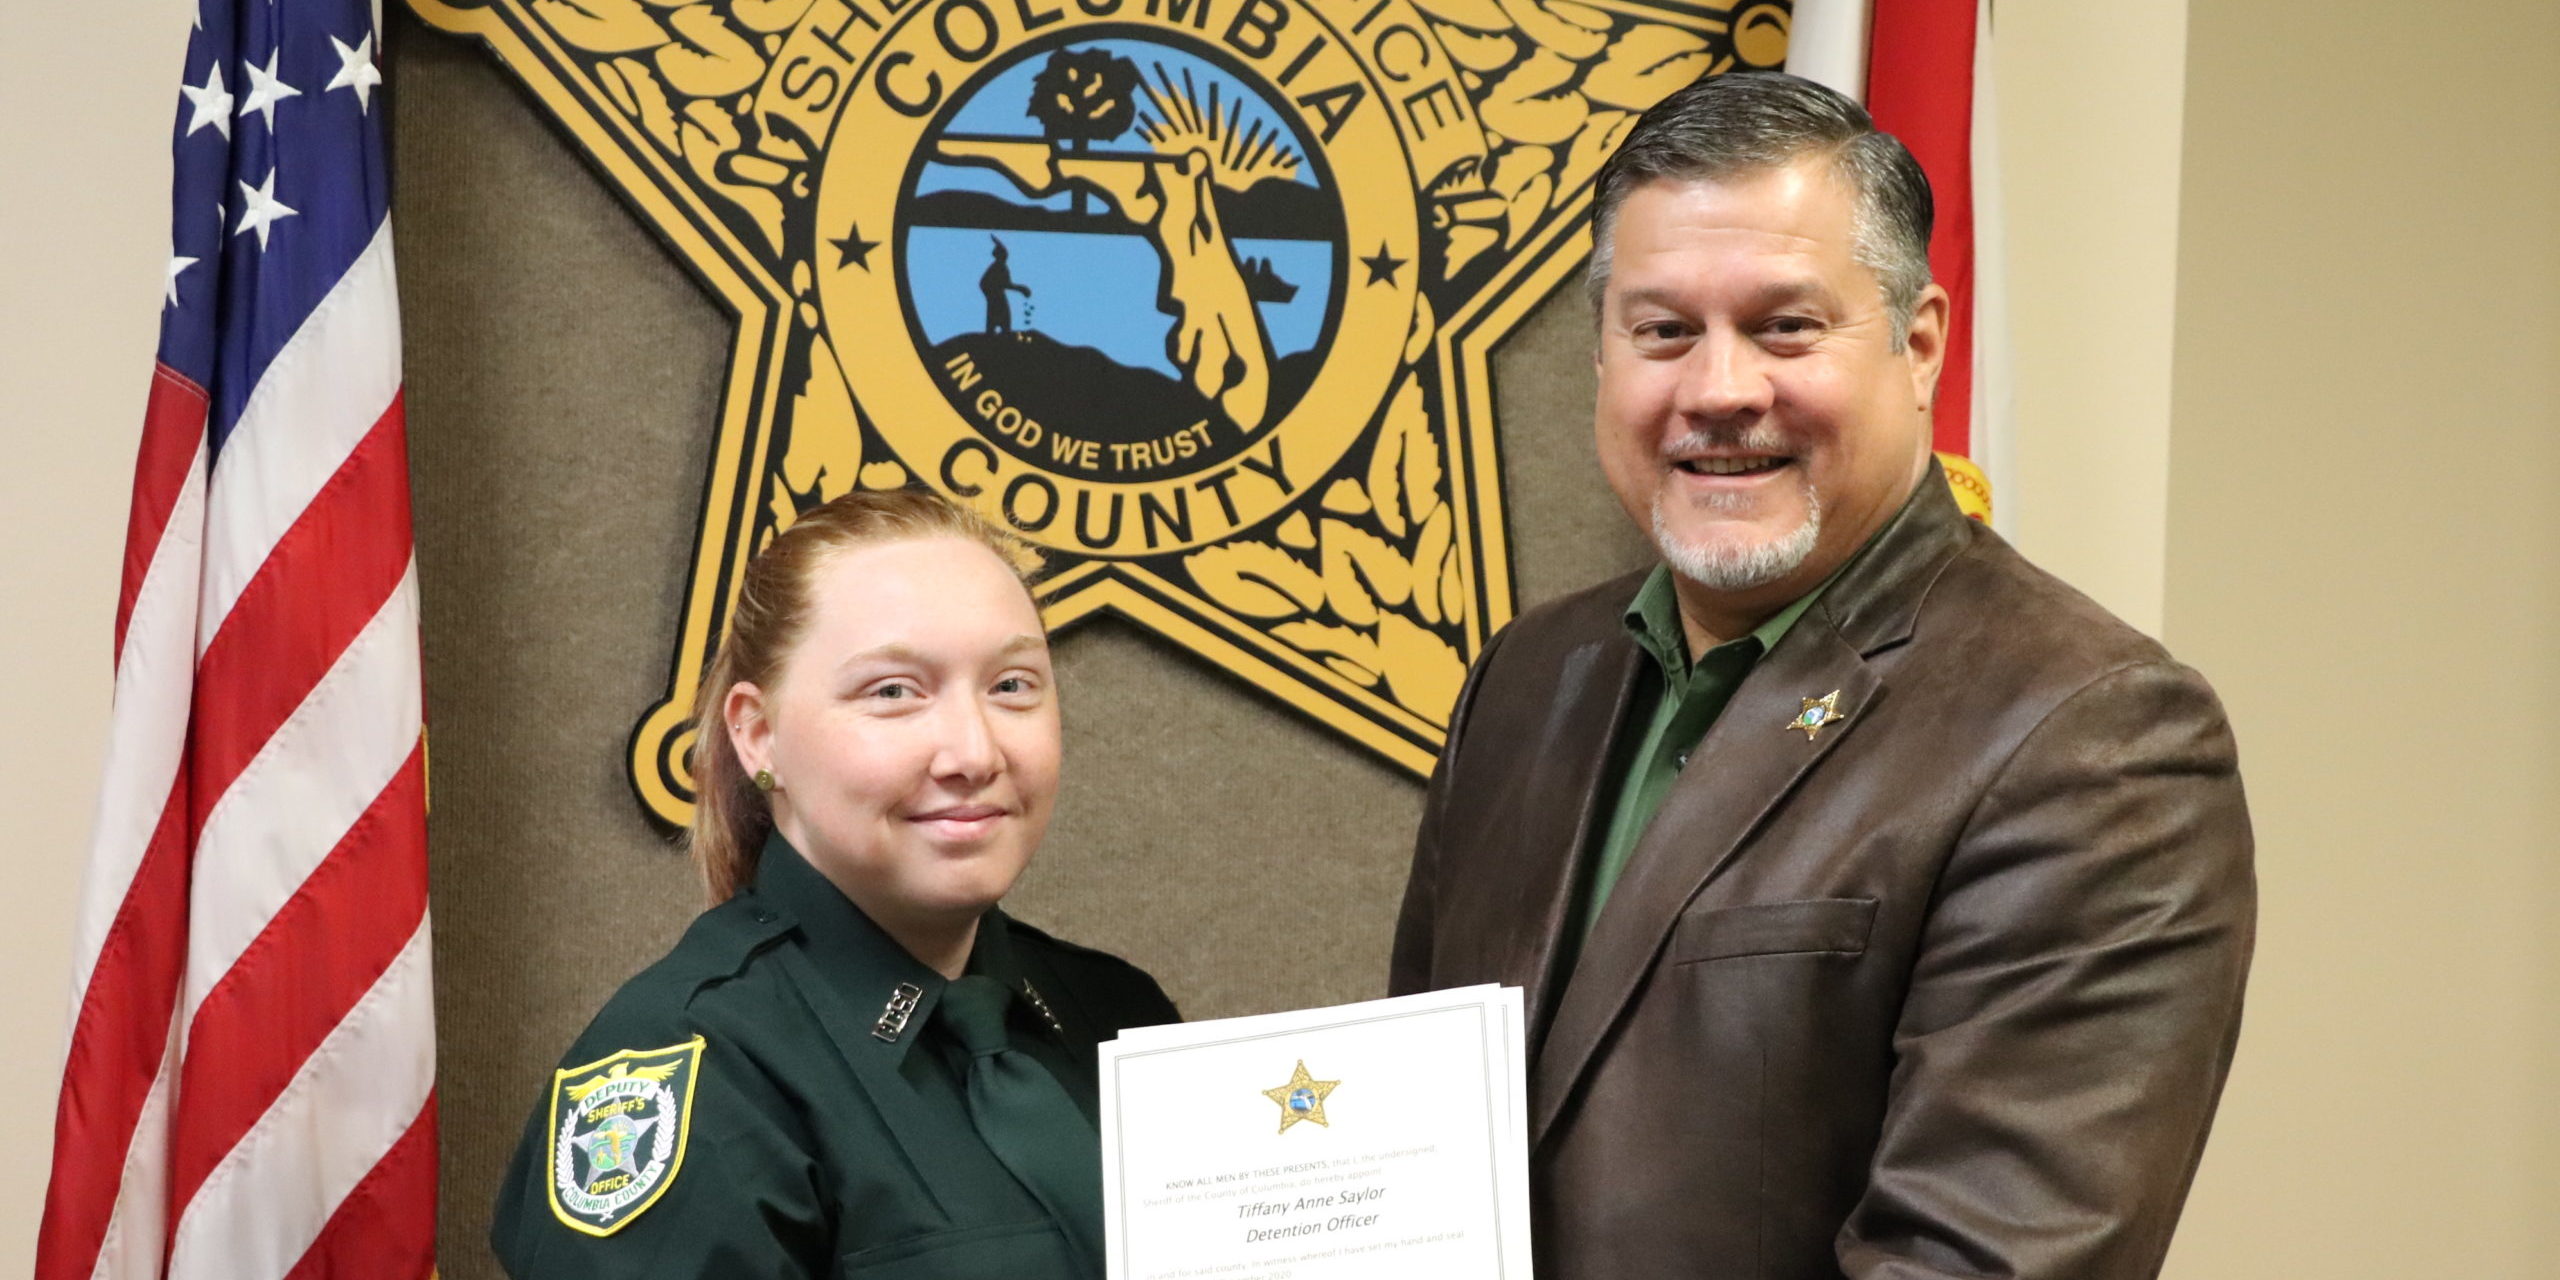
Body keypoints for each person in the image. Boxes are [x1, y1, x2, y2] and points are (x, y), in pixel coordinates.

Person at [1389, 72, 2253, 1279]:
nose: (1719, 389)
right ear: (1601, 359)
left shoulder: (2091, 736)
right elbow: (1417, 1166)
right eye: (1663, 330)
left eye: (1785, 325)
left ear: (1918, 346)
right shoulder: (1531, 679)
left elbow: (1982, 1261)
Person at [491, 489, 1175, 1277]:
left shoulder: (1122, 1019)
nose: (974, 752)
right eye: (893, 692)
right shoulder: (695, 1070)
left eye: (1012, 685)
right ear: (756, 735)